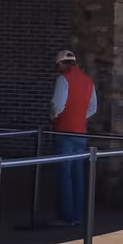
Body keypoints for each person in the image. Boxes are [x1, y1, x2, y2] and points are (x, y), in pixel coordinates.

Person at [50, 50, 99, 226]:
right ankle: (76, 215)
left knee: (64, 175)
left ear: (62, 64)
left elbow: (58, 105)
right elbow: (93, 107)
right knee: (77, 174)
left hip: (64, 131)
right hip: (80, 132)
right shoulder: (88, 81)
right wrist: (80, 117)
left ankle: (66, 216)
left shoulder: (63, 79)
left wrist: (54, 117)